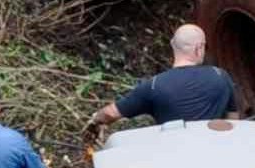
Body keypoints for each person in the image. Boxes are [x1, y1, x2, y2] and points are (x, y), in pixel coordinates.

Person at [95, 22, 236, 135]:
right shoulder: (220, 76)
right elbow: (234, 121)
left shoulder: (154, 85)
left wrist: (95, 120)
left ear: (173, 45)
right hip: (214, 158)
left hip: (173, 160)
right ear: (198, 48)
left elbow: (110, 113)